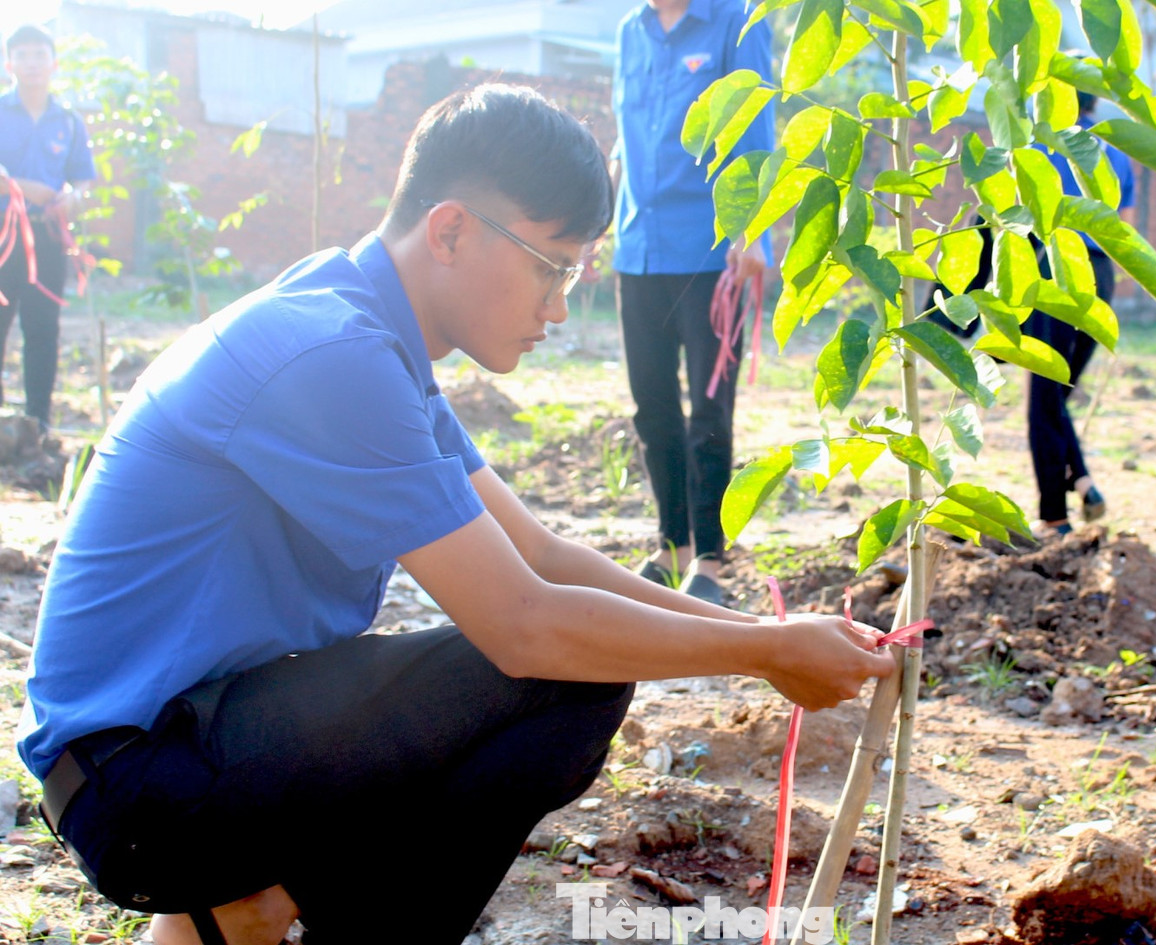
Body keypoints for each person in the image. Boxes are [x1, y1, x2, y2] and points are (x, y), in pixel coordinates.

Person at [17, 84, 893, 945]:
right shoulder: (332, 352)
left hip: (176, 744)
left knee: (571, 661)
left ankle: (241, 908)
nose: (559, 306)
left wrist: (761, 635)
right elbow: (524, 625)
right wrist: (764, 651)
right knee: (565, 672)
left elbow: (543, 554)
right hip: (138, 782)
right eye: (552, 266)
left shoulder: (364, 330)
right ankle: (276, 905)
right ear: (450, 229)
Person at [610, 0, 774, 606]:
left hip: (712, 253)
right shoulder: (631, 30)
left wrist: (752, 229)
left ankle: (709, 559)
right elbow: (625, 137)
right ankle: (670, 544)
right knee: (651, 406)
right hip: (640, 249)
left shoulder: (738, 21)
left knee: (709, 415)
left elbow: (758, 130)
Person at [1024, 89, 1135, 536]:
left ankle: (1055, 516)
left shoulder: (1037, 145)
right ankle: (1082, 480)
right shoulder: (1118, 154)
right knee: (1056, 395)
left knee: (1045, 399)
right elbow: (1122, 228)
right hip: (1101, 275)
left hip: (1054, 265)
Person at [0, 24, 96, 432]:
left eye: (39, 54)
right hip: (3, 236)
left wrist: (75, 197)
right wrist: (20, 187)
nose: (32, 63)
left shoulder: (70, 122)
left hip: (50, 238)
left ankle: (37, 425)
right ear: (9, 64)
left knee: (42, 331)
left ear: (54, 63)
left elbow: (84, 179)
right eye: (23, 55)